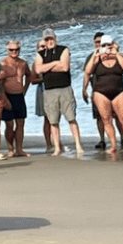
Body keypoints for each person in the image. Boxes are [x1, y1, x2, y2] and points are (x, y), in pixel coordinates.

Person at [34, 28, 84, 156]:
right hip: (49, 91)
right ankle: (56, 148)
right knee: (53, 121)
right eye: (47, 39)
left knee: (71, 118)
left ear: (55, 38)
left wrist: (47, 67)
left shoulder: (64, 49)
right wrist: (55, 63)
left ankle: (78, 145)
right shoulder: (40, 54)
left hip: (65, 89)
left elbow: (65, 67)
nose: (49, 41)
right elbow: (38, 69)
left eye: (51, 39)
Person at [84, 35, 123, 154]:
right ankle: (113, 145)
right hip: (101, 92)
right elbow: (87, 71)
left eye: (109, 45)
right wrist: (96, 54)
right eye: (104, 45)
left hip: (118, 91)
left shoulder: (120, 56)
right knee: (106, 119)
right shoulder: (97, 58)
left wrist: (115, 52)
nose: (107, 47)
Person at [1, 40, 32, 157]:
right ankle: (10, 148)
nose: (14, 51)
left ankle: (19, 149)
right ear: (7, 50)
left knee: (20, 123)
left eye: (16, 49)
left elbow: (29, 75)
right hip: (7, 95)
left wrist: (25, 89)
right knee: (9, 124)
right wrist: (4, 99)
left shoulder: (23, 63)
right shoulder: (3, 63)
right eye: (11, 50)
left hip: (19, 96)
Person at [32, 39, 52, 152]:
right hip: (43, 91)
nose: (44, 48)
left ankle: (57, 142)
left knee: (56, 118)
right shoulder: (35, 63)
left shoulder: (53, 59)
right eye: (41, 47)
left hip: (54, 89)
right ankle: (49, 144)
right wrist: (45, 78)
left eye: (45, 46)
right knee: (47, 119)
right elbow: (32, 80)